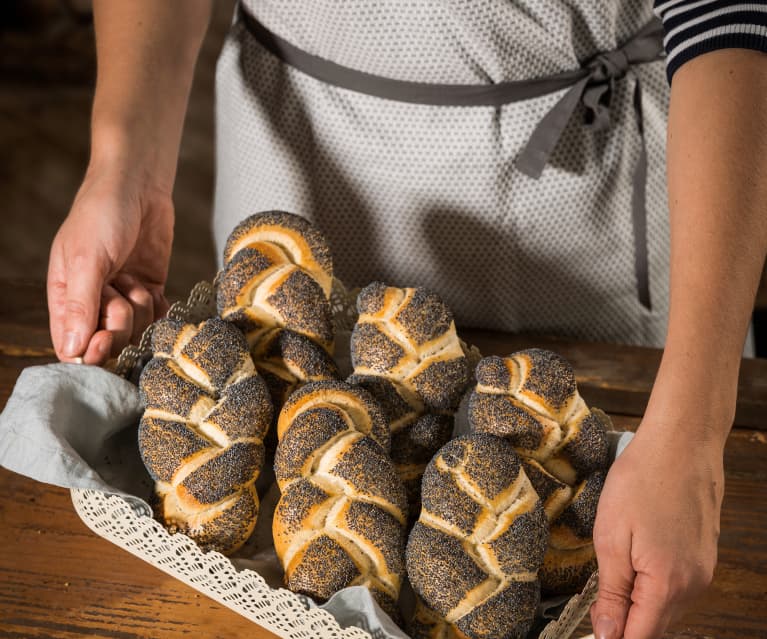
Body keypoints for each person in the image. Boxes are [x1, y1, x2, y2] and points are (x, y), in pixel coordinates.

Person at [46, 2, 767, 638]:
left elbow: (731, 18)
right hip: (303, 164)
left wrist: (692, 430)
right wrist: (125, 162)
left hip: (589, 211)